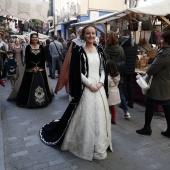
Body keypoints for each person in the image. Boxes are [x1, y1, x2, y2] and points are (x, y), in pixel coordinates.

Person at [40, 25, 113, 161]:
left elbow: (103, 68)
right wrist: (90, 84)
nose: (91, 36)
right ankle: (85, 144)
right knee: (87, 116)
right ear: (83, 35)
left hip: (99, 87)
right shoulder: (78, 51)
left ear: (95, 34)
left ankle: (99, 144)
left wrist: (101, 82)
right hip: (87, 87)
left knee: (100, 116)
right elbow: (76, 71)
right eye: (88, 33)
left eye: (93, 33)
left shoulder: (100, 50)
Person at [136, 30, 170, 138]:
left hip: (159, 84)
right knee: (166, 105)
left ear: (166, 41)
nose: (160, 40)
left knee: (150, 104)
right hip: (166, 83)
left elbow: (153, 69)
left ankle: (147, 128)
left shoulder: (165, 53)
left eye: (162, 38)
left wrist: (149, 70)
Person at [16, 33, 53, 108]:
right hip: (30, 68)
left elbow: (43, 58)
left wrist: (39, 67)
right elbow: (27, 58)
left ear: (38, 38)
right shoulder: (28, 47)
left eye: (36, 37)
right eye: (33, 37)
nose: (34, 39)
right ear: (30, 38)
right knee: (28, 84)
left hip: (40, 68)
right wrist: (33, 67)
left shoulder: (41, 47)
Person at [104, 31, 131, 119]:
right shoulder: (120, 49)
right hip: (119, 74)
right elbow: (124, 60)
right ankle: (126, 111)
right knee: (121, 92)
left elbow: (105, 63)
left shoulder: (106, 50)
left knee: (107, 92)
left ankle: (108, 112)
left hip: (109, 75)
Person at [54, 27, 85, 94]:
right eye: (80, 31)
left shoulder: (88, 40)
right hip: (76, 63)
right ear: (78, 32)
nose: (81, 33)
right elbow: (70, 53)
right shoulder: (74, 42)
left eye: (83, 31)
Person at [106, 59, 121, 124]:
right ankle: (113, 119)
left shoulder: (107, 76)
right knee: (112, 107)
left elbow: (107, 85)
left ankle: (107, 118)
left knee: (107, 106)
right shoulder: (117, 74)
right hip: (115, 91)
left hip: (109, 92)